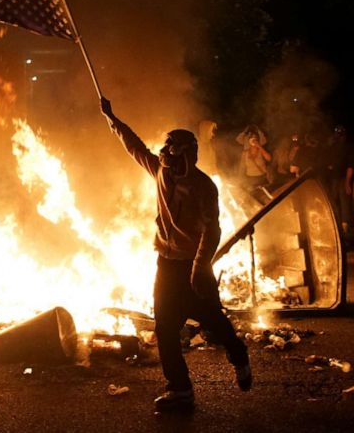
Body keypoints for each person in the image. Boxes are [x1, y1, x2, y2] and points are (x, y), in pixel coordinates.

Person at [100, 97, 251, 412]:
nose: (165, 154)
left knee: (212, 320)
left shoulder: (204, 187)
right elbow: (135, 146)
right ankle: (180, 390)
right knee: (165, 327)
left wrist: (199, 268)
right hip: (166, 264)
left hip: (194, 265)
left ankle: (239, 355)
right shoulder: (159, 173)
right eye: (165, 148)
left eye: (172, 149)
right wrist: (113, 118)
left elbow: (212, 231)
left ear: (187, 154)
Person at [324, 125, 352, 236]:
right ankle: (337, 224)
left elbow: (349, 163)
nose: (338, 135)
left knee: (343, 202)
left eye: (340, 133)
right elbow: (327, 160)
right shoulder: (332, 146)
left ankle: (344, 226)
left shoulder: (345, 147)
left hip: (341, 177)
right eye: (337, 132)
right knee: (334, 202)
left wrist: (347, 181)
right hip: (333, 178)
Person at [237, 126, 271, 201]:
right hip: (251, 179)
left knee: (267, 198)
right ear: (249, 141)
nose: (253, 140)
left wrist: (259, 146)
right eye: (252, 138)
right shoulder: (245, 153)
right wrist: (239, 180)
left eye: (255, 138)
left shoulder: (261, 150)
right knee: (256, 199)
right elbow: (242, 167)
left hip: (262, 178)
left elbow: (269, 158)